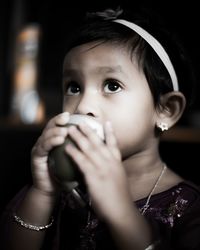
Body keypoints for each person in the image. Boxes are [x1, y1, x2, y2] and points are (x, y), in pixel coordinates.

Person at [1, 6, 200, 250]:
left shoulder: (190, 208)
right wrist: (42, 192)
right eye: (74, 87)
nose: (83, 106)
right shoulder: (60, 189)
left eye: (112, 86)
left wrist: (121, 212)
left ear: (166, 110)